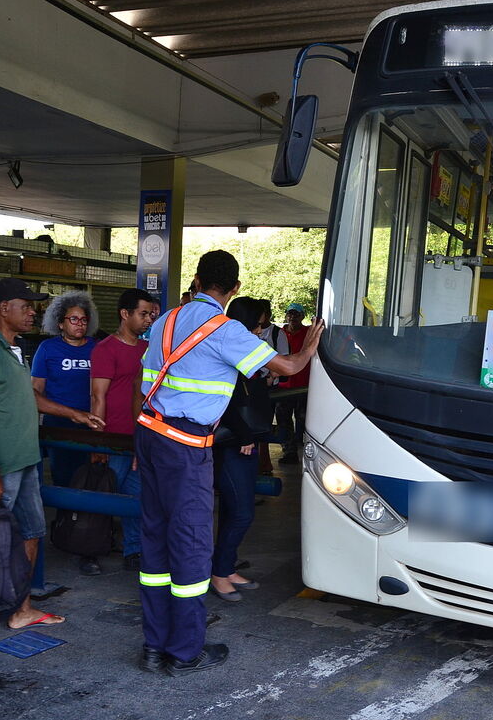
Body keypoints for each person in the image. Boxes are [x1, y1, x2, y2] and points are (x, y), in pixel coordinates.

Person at [134, 249, 323, 675]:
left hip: (149, 435)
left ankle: (154, 645)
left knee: (156, 539)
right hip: (185, 445)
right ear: (235, 288)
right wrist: (310, 345)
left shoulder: (165, 321)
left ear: (197, 280)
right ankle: (185, 652)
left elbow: (145, 380)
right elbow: (287, 366)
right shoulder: (225, 330)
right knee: (191, 544)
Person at [0, 278, 104, 638]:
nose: (32, 313)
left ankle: (21, 609)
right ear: (3, 308)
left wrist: (74, 414)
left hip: (25, 459)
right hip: (0, 463)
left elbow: (27, 397)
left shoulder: (14, 347)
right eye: (25, 306)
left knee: (31, 532)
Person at [89, 288, 155, 575]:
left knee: (136, 497)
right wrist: (98, 442)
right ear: (125, 314)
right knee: (103, 495)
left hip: (139, 439)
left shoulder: (147, 349)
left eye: (151, 314)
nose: (149, 320)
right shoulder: (105, 349)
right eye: (143, 314)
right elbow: (97, 397)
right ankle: (88, 549)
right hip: (112, 439)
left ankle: (133, 550)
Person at [209, 297, 272, 602]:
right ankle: (219, 573)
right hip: (233, 445)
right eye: (258, 324)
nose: (261, 330)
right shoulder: (227, 351)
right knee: (242, 513)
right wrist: (246, 435)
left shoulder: (248, 350)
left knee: (233, 510)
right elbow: (226, 402)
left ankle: (226, 566)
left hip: (246, 442)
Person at [31, 291, 99, 487]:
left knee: (90, 478)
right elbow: (35, 391)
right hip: (58, 424)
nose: (80, 324)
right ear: (60, 323)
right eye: (73, 319)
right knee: (63, 477)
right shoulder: (47, 348)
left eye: (84, 319)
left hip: (91, 423)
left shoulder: (98, 348)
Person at [255, 299, 288, 475]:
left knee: (263, 425)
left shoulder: (277, 333)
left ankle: (263, 464)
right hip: (251, 384)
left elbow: (284, 359)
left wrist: (271, 376)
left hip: (268, 386)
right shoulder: (248, 331)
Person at [275, 303, 311, 464]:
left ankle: (303, 448)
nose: (292, 317)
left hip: (304, 385)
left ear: (302, 316)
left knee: (303, 418)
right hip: (284, 386)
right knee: (283, 420)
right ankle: (289, 452)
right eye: (290, 313)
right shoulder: (280, 333)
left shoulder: (308, 333)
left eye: (296, 314)